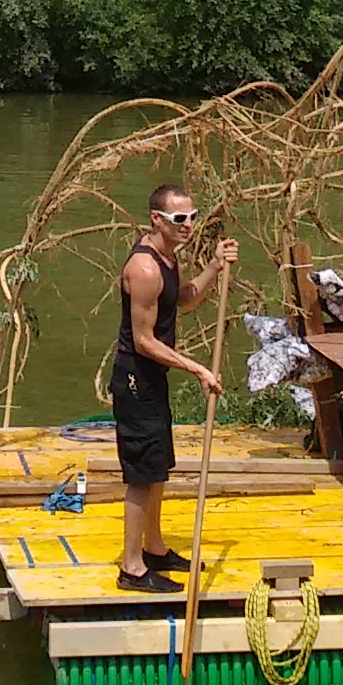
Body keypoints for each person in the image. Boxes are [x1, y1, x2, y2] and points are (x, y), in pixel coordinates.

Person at [112, 183, 235, 593]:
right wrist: (197, 369)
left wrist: (214, 268)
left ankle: (154, 547)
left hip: (153, 379)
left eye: (192, 217)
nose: (188, 226)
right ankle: (131, 567)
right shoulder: (144, 268)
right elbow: (144, 340)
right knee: (142, 474)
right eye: (179, 219)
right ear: (157, 219)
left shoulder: (168, 258)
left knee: (158, 466)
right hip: (135, 378)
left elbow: (181, 298)